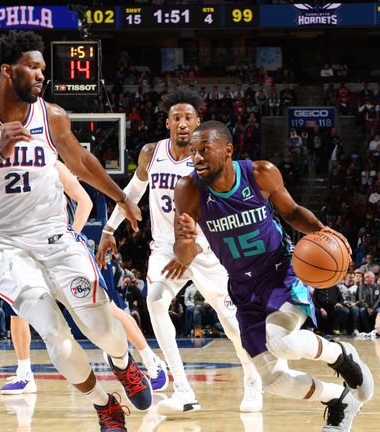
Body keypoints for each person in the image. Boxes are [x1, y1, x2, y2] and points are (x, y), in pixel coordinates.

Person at [0, 31, 150, 430]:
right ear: (8, 70)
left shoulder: (52, 116)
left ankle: (123, 362)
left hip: (54, 234)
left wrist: (121, 197)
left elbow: (80, 161)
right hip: (0, 243)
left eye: (43, 69)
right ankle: (104, 405)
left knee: (103, 329)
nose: (42, 75)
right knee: (53, 330)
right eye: (33, 67)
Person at [172, 121, 373, 430]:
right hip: (242, 286)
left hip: (281, 271)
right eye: (193, 152)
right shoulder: (188, 190)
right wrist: (184, 241)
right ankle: (339, 399)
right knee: (272, 379)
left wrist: (322, 231)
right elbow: (184, 257)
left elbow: (291, 212)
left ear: (228, 151)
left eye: (204, 150)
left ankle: (342, 354)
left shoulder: (260, 173)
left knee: (280, 340)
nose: (196, 157)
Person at [96, 87, 263, 415]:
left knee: (231, 321)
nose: (183, 123)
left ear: (199, 122)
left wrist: (202, 244)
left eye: (189, 117)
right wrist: (108, 229)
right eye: (177, 118)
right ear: (168, 122)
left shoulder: (209, 159)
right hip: (165, 249)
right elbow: (132, 191)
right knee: (154, 299)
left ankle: (253, 377)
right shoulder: (150, 153)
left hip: (206, 249)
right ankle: (183, 390)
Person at [0, 160, 168, 395]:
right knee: (19, 312)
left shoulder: (50, 165)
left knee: (109, 310)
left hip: (61, 248)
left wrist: (71, 236)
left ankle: (150, 361)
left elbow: (85, 201)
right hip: (24, 253)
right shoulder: (3, 173)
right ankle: (25, 373)